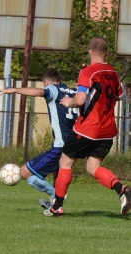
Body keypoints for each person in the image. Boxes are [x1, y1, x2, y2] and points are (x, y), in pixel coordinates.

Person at [45, 36, 131, 217]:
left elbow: (81, 99)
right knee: (93, 167)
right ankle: (121, 190)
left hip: (88, 128)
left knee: (65, 163)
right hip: (107, 131)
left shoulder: (88, 72)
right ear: (106, 52)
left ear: (90, 51)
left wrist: (70, 102)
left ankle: (57, 206)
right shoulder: (114, 73)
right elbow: (119, 96)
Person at [0, 68, 78, 209]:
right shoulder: (74, 92)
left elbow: (39, 92)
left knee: (25, 172)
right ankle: (56, 206)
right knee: (57, 173)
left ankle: (56, 196)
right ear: (61, 80)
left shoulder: (53, 89)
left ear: (46, 82)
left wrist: (14, 90)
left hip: (61, 145)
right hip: (76, 142)